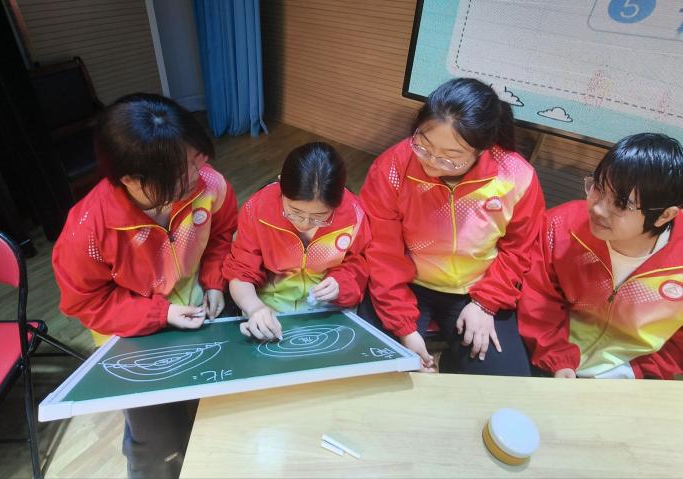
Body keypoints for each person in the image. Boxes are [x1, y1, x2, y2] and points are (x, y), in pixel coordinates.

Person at [52, 93, 237, 479]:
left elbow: (221, 237)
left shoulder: (210, 185)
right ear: (131, 180)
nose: (198, 173)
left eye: (198, 158)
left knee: (221, 404)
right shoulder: (89, 230)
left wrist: (214, 283)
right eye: (181, 170)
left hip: (198, 305)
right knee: (159, 446)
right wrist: (161, 313)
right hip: (130, 328)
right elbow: (86, 302)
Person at [358, 77, 544, 375]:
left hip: (478, 287)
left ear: (483, 148)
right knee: (370, 372)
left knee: (506, 383)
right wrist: (404, 327)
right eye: (424, 145)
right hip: (408, 284)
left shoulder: (515, 176)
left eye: (451, 157)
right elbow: (382, 252)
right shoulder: (392, 168)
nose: (432, 162)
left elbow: (520, 248)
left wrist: (486, 303)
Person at [519, 133, 683, 379]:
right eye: (597, 187)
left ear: (664, 216)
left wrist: (633, 374)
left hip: (631, 376)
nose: (597, 208)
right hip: (549, 356)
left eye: (620, 203)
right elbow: (538, 298)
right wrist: (558, 359)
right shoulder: (561, 227)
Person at [223, 142, 369, 340]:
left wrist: (340, 284)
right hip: (271, 310)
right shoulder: (258, 209)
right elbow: (241, 269)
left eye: (320, 216)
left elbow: (358, 263)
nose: (305, 224)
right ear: (281, 185)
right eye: (294, 212)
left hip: (328, 310)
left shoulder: (353, 215)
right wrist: (254, 307)